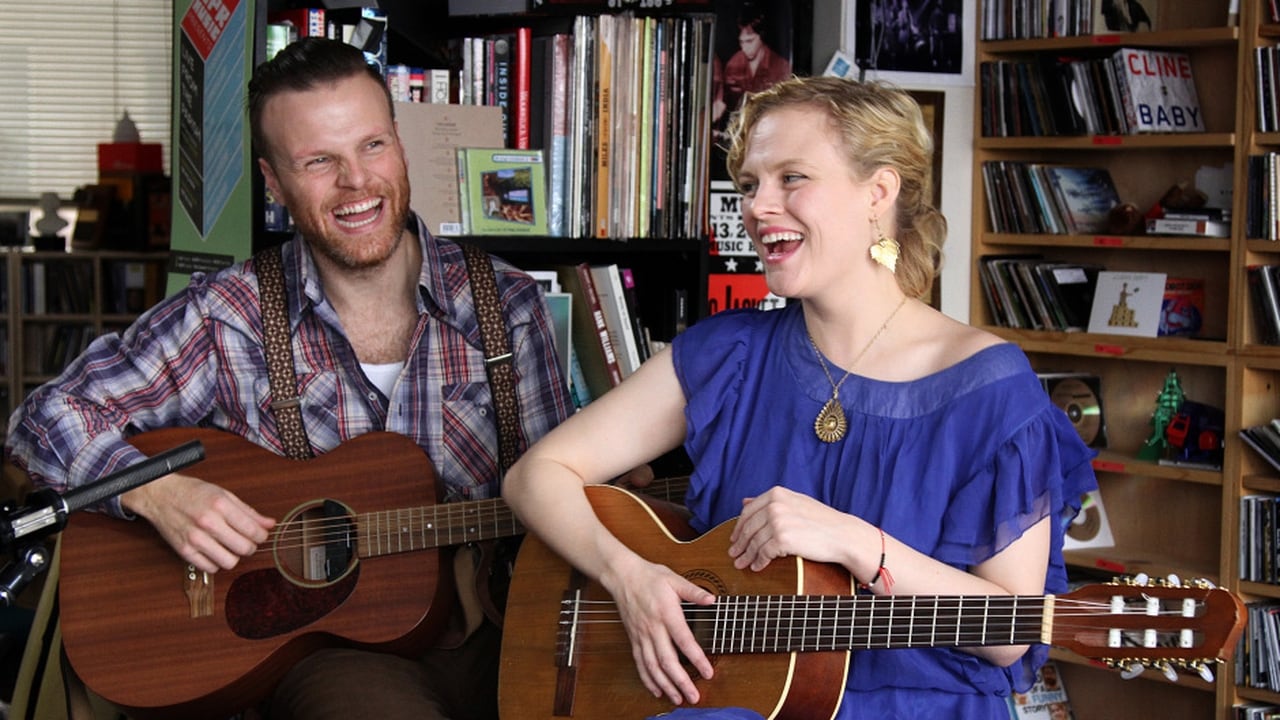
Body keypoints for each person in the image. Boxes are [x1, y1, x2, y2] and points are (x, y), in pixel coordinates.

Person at [5, 37, 572, 720]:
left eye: (372, 146)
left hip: (498, 630)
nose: (357, 182)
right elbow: (46, 416)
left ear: (399, 141)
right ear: (274, 183)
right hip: (332, 656)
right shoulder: (228, 316)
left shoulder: (506, 306)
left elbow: (562, 492)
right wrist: (156, 492)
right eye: (318, 162)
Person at [502, 75, 1098, 719]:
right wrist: (630, 579)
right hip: (737, 699)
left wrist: (851, 541)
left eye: (792, 178)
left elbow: (1009, 635)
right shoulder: (728, 355)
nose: (759, 207)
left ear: (878, 192)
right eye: (752, 183)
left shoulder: (992, 386)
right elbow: (537, 475)